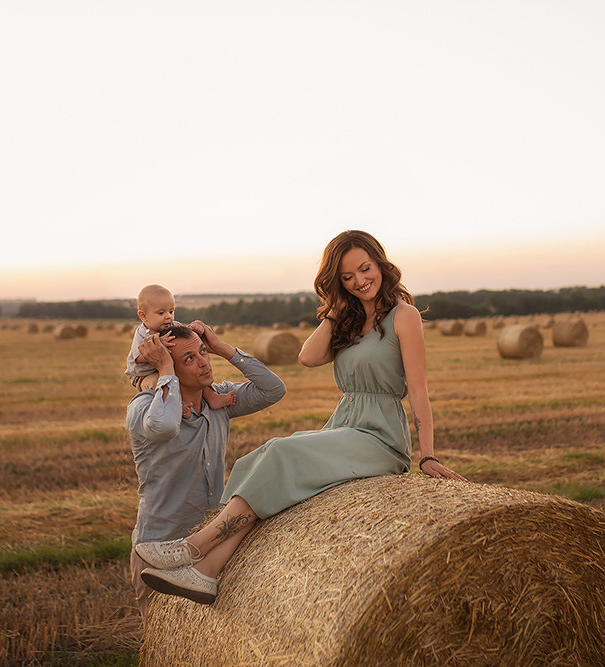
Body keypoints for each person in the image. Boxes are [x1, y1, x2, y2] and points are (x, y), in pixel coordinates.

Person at [135, 230, 465, 605]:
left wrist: (428, 455)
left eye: (365, 269)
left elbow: (419, 392)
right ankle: (207, 572)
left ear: (380, 263)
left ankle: (195, 547)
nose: (359, 281)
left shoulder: (404, 317)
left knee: (280, 452)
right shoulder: (350, 320)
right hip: (346, 424)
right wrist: (340, 307)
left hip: (380, 437)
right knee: (262, 461)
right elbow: (308, 356)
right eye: (346, 278)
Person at [126, 319, 287, 619]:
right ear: (167, 369)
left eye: (203, 352)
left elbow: (273, 389)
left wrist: (222, 348)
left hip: (211, 545)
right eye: (189, 358)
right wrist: (164, 369)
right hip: (158, 551)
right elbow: (164, 425)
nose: (203, 363)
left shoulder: (219, 401)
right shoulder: (144, 410)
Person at [126, 284, 236, 412]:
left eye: (171, 311)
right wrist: (157, 346)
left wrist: (194, 332)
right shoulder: (142, 334)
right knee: (161, 382)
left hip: (167, 367)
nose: (168, 316)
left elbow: (186, 339)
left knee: (194, 375)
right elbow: (137, 359)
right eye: (161, 313)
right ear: (143, 316)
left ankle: (212, 397)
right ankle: (177, 404)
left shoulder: (174, 326)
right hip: (145, 375)